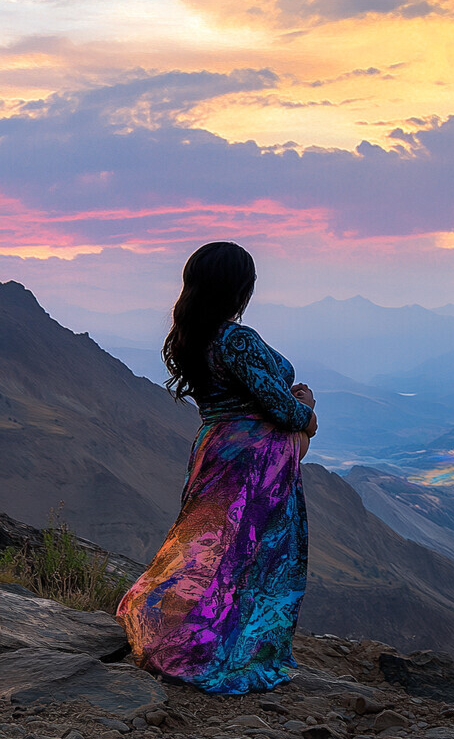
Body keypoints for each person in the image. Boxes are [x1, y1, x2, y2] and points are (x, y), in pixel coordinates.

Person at [115, 241, 318, 694]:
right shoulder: (236, 339)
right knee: (252, 551)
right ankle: (226, 648)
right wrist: (308, 410)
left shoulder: (192, 337)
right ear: (238, 288)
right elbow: (279, 408)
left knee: (205, 544)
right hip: (254, 462)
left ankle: (180, 629)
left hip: (216, 447)